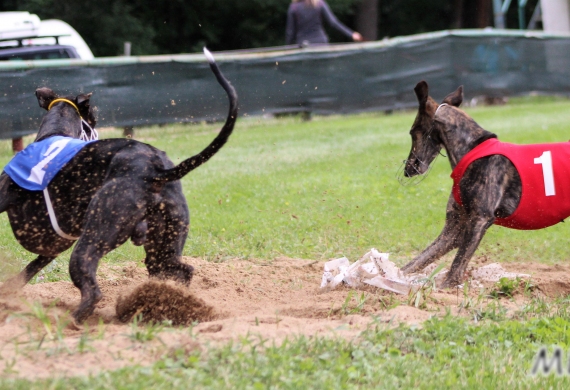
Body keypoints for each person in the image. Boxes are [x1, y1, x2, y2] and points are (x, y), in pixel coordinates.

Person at [286, 0, 363, 46]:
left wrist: (288, 48)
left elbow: (290, 32)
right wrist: (351, 34)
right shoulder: (320, 4)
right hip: (321, 43)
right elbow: (333, 22)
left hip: (303, 45)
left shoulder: (293, 8)